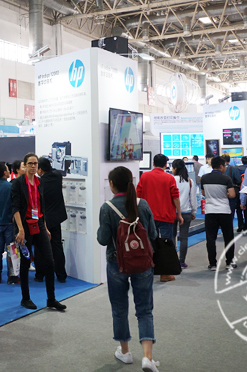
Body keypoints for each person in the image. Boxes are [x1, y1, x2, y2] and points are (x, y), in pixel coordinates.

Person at [97, 166, 160, 372]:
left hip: (116, 262)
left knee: (119, 308)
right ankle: (148, 357)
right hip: (142, 263)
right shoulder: (143, 204)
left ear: (112, 184)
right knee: (145, 309)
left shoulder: (107, 208)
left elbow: (102, 239)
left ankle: (125, 352)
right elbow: (153, 234)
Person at [11, 153, 67, 310]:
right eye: (30, 163)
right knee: (25, 262)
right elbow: (15, 208)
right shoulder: (18, 183)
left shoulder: (40, 182)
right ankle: (25, 298)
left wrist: (46, 226)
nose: (33, 166)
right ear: (25, 165)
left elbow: (42, 206)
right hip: (25, 225)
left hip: (39, 223)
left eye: (35, 163)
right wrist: (20, 229)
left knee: (49, 260)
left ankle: (51, 299)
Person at [136, 154, 182, 282]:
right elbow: (175, 197)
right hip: (166, 216)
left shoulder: (144, 176)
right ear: (166, 165)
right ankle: (165, 273)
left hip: (148, 216)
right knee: (166, 245)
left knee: (149, 243)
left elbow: (138, 195)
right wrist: (179, 214)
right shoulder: (169, 178)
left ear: (153, 163)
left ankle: (149, 269)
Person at [201, 157, 237, 270]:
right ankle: (229, 262)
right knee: (228, 237)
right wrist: (224, 194)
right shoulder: (226, 178)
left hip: (210, 211)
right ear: (221, 166)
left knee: (211, 238)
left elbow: (204, 193)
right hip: (224, 211)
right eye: (225, 166)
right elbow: (232, 195)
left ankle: (212, 263)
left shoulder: (204, 178)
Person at [38, 157, 68, 283]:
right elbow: (54, 170)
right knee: (57, 246)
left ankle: (40, 275)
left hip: (44, 219)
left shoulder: (39, 183)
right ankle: (61, 275)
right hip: (56, 218)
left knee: (41, 248)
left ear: (40, 169)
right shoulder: (57, 176)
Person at [172, 159, 196, 268]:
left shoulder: (171, 180)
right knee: (184, 237)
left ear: (175, 168)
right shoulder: (189, 181)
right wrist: (194, 211)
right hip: (186, 212)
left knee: (171, 237)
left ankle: (172, 259)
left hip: (172, 212)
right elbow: (193, 199)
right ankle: (181, 261)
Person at [222, 155, 244, 232]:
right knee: (237, 209)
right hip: (234, 191)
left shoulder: (220, 170)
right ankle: (240, 225)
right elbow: (238, 180)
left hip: (223, 192)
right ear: (229, 160)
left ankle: (227, 228)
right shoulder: (233, 169)